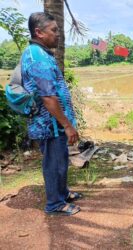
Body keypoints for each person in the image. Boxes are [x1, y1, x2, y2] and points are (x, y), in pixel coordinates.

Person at [21, 12, 81, 215]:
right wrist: (67, 124)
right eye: (54, 30)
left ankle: (62, 193)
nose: (58, 35)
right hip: (51, 124)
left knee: (60, 159)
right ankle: (55, 204)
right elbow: (48, 98)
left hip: (54, 123)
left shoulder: (41, 53)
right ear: (39, 32)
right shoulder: (38, 58)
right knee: (54, 163)